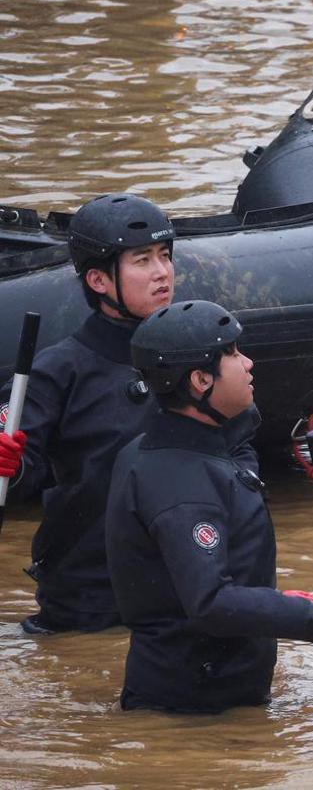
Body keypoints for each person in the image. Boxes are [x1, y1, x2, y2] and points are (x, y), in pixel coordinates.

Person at [105, 300, 313, 713]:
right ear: (200, 379)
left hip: (221, 689)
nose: (248, 363)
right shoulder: (183, 485)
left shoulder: (184, 449)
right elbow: (211, 602)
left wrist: (282, 603)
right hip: (193, 709)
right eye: (232, 354)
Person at [0, 193, 176, 634]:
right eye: (142, 260)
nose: (161, 273)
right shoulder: (57, 370)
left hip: (181, 584)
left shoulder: (195, 354)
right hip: (88, 596)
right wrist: (12, 464)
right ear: (98, 280)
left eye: (165, 256)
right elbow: (18, 469)